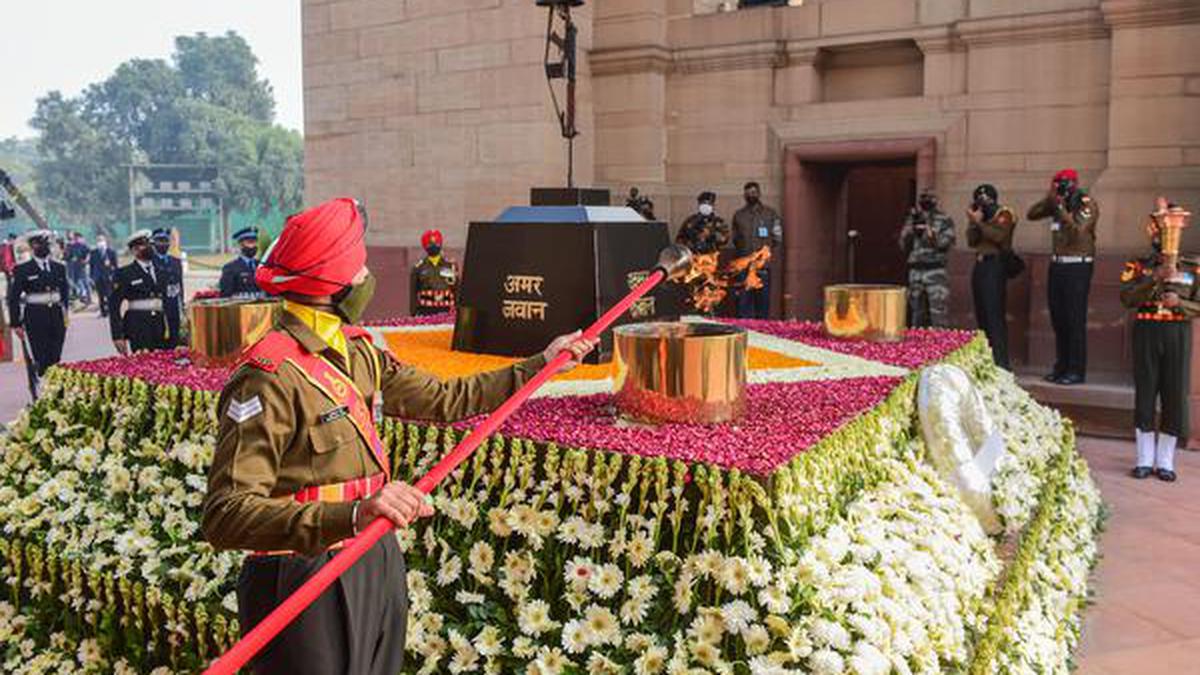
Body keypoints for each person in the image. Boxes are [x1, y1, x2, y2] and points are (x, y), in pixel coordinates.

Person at [201, 198, 597, 675]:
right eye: (360, 264)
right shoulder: (270, 374)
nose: (367, 273)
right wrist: (351, 514)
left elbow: (446, 398)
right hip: (302, 577)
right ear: (337, 284)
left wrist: (542, 363)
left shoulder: (358, 351)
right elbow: (225, 515)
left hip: (371, 557)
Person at [1121, 198, 1197, 483]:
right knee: (1145, 392)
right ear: (1151, 231)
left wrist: (1180, 304)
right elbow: (1126, 297)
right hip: (1147, 330)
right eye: (1157, 228)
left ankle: (1165, 460)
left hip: (1177, 332)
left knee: (1174, 393)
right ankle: (1143, 459)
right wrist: (1154, 278)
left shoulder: (1192, 266)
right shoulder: (1137, 265)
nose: (1160, 234)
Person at [1028, 168, 1099, 385]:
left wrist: (1060, 208)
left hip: (1078, 267)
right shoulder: (1057, 202)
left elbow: (1078, 231)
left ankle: (1076, 370)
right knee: (1058, 318)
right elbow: (1032, 214)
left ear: (1074, 184)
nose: (1061, 187)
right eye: (1057, 183)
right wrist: (1050, 198)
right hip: (1058, 265)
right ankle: (1062, 366)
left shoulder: (1086, 203)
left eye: (1064, 184)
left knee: (1074, 319)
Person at [6, 230, 69, 387]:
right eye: (39, 244)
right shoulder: (23, 270)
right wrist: (16, 324)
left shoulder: (59, 267)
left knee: (56, 354)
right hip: (35, 317)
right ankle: (46, 381)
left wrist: (65, 313)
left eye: (45, 244)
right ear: (32, 247)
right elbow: (13, 298)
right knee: (41, 354)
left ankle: (52, 382)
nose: (43, 247)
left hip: (56, 315)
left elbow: (65, 293)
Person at [967, 184, 1019, 369]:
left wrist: (980, 223)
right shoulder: (980, 216)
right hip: (980, 265)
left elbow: (998, 237)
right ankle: (986, 359)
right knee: (982, 313)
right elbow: (971, 241)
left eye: (985, 199)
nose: (982, 203)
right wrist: (974, 222)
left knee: (993, 314)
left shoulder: (1004, 214)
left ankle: (1001, 362)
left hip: (995, 266)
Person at [899, 188, 955, 328]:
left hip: (935, 270)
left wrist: (931, 235)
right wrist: (911, 232)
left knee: (938, 313)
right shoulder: (912, 218)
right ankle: (918, 347)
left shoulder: (944, 219)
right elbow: (903, 245)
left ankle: (941, 345)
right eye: (923, 197)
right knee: (916, 313)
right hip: (916, 271)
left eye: (930, 197)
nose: (926, 200)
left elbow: (945, 243)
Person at [109, 230, 170, 355]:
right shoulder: (125, 273)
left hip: (160, 326)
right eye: (144, 245)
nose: (150, 248)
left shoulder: (161, 271)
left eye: (150, 244)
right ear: (134, 250)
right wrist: (117, 335)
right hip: (138, 327)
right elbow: (114, 306)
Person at [731, 182, 783, 319]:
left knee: (763, 304)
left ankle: (762, 333)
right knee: (743, 304)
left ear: (759, 193)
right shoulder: (739, 215)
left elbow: (777, 237)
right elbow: (735, 239)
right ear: (744, 195)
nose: (751, 195)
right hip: (744, 267)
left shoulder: (770, 214)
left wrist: (763, 254)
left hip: (762, 267)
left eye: (754, 192)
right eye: (748, 193)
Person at [409, 229, 458, 316]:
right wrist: (413, 314)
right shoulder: (418, 268)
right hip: (426, 311)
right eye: (430, 244)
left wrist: (459, 311)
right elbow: (413, 293)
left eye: (436, 243)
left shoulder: (450, 266)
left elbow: (456, 289)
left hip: (447, 310)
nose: (434, 246)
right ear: (425, 246)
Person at [151, 228, 185, 346]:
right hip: (157, 303)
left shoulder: (175, 261)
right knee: (158, 333)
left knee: (174, 330)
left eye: (165, 241)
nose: (163, 244)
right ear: (153, 243)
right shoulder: (150, 262)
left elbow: (180, 283)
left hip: (173, 301)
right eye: (159, 241)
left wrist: (182, 302)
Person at [219, 227, 262, 298]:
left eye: (254, 242)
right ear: (241, 245)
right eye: (249, 242)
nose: (253, 246)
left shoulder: (262, 266)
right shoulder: (230, 268)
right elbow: (225, 295)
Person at [89, 235, 119, 318]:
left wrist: (115, 276)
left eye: (101, 240)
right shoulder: (94, 252)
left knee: (109, 295)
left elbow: (116, 265)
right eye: (98, 240)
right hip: (98, 277)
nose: (100, 242)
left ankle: (110, 311)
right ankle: (103, 312)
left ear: (105, 241)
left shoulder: (111, 252)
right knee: (100, 295)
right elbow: (92, 265)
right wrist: (91, 277)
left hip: (108, 277)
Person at [64, 231, 92, 307]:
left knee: (86, 282)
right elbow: (67, 256)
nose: (75, 239)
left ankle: (89, 298)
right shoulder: (71, 246)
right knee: (75, 282)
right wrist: (70, 258)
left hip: (82, 266)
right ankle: (82, 296)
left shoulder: (83, 245)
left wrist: (86, 260)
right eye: (74, 238)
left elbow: (89, 253)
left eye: (76, 237)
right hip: (74, 267)